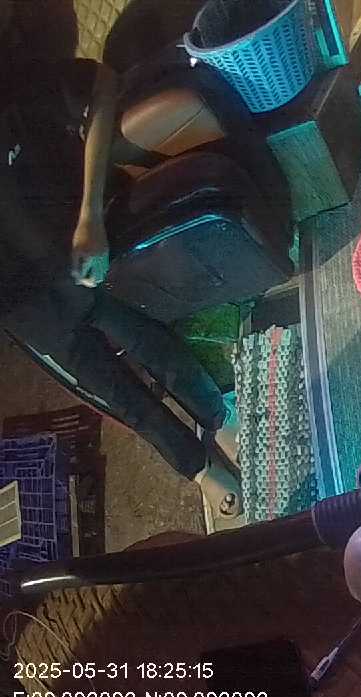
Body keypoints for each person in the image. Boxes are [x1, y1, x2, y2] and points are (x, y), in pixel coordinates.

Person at [0, 0, 243, 529]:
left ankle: (218, 413)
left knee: (147, 339)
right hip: (18, 304)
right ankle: (198, 468)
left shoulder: (20, 81)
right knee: (111, 388)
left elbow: (102, 86)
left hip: (72, 252)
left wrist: (90, 216)